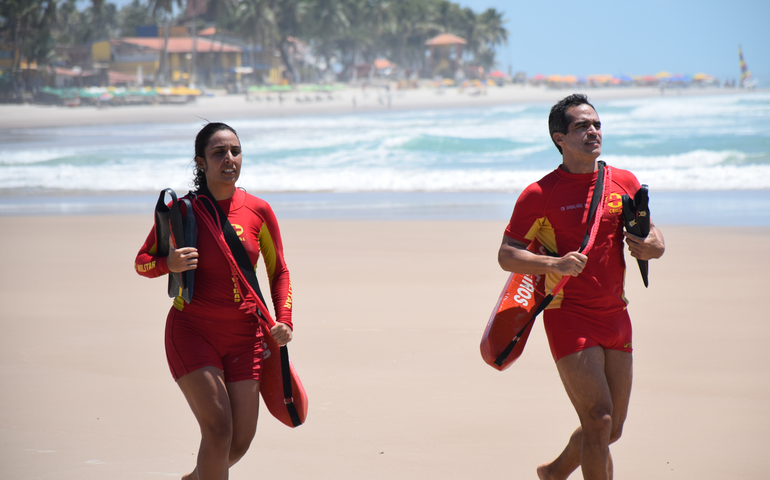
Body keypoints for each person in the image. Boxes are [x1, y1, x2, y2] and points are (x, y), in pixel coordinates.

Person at [497, 94, 665, 480]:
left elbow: (650, 234)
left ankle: (554, 472)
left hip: (616, 313)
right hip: (568, 314)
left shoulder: (623, 182)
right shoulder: (540, 194)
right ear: (560, 138)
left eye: (597, 125)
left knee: (611, 428)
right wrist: (554, 264)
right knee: (598, 418)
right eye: (582, 126)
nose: (593, 132)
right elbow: (507, 254)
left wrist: (654, 246)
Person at [134, 122, 294, 480]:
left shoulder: (259, 210)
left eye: (235, 151)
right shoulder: (183, 211)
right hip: (193, 331)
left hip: (246, 337)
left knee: (239, 441)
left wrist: (285, 320)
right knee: (219, 429)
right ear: (201, 162)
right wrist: (168, 264)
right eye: (219, 152)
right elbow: (142, 261)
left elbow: (279, 270)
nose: (229, 158)